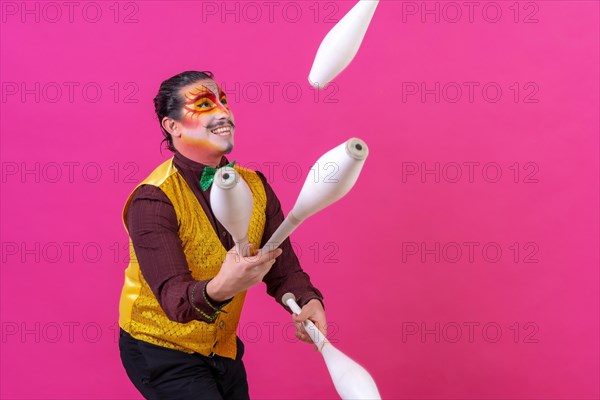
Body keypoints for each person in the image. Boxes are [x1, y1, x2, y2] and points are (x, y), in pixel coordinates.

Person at [117, 70, 327, 399]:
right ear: (171, 126)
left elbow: (283, 267)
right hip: (159, 347)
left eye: (223, 101)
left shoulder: (255, 185)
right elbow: (175, 300)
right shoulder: (154, 200)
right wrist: (221, 287)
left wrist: (307, 301)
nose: (223, 111)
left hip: (221, 347)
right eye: (203, 104)